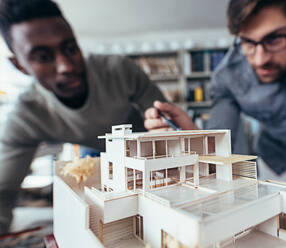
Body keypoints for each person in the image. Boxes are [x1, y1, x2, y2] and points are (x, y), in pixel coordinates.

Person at [145, 0, 286, 238]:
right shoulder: (227, 76)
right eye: (248, 42)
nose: (260, 59)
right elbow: (220, 142)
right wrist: (192, 134)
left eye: (274, 39)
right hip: (276, 162)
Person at [0, 0, 166, 234]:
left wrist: (164, 131)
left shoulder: (119, 70)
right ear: (20, 65)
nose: (66, 66)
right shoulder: (25, 116)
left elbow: (169, 122)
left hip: (142, 151)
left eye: (70, 48)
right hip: (92, 153)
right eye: (43, 57)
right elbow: (3, 192)